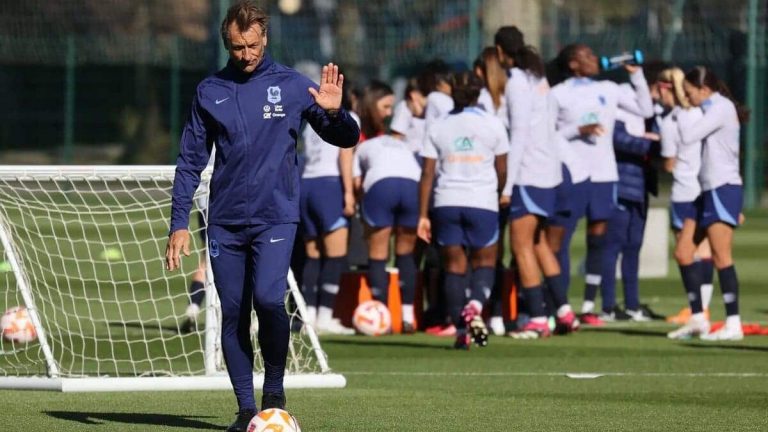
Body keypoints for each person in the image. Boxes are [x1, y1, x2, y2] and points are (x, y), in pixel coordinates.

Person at [164, 2, 359, 431]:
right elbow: (190, 161)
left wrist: (333, 111)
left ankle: (274, 393)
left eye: (252, 45)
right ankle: (245, 410)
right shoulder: (209, 91)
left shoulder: (291, 86)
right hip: (225, 222)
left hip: (276, 217)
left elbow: (345, 138)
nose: (246, 54)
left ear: (265, 38)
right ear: (227, 44)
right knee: (233, 312)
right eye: (237, 47)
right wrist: (179, 221)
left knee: (270, 300)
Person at [548, 44, 654, 322]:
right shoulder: (559, 94)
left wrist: (637, 75)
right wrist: (576, 130)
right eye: (587, 56)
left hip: (604, 175)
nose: (594, 59)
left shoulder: (608, 88)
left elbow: (645, 109)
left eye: (594, 54)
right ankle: (559, 303)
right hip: (571, 175)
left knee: (599, 239)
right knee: (561, 239)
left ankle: (587, 306)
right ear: (573, 64)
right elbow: (548, 133)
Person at [493, 26, 576, 339]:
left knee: (521, 245)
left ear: (501, 51)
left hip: (527, 174)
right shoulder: (539, 78)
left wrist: (507, 186)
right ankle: (565, 311)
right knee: (539, 243)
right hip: (547, 173)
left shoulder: (516, 81)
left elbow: (520, 134)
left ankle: (539, 318)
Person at [417, 71, 508, 349]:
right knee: (485, 262)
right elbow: (502, 169)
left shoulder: (438, 125)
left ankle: (460, 332)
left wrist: (423, 214)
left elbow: (428, 174)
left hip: (446, 201)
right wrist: (495, 192)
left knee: (454, 267)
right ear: (479, 93)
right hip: (482, 201)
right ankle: (475, 305)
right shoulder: (493, 124)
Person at [667, 66, 749, 341]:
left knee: (721, 255)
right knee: (683, 251)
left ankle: (733, 323)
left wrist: (681, 105)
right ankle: (698, 318)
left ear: (704, 90)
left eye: (690, 94)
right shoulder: (708, 107)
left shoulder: (720, 107)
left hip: (722, 187)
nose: (687, 99)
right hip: (705, 190)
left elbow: (689, 136)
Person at [354, 80, 420, 333]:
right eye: (386, 106)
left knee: (378, 254)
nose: (390, 112)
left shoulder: (364, 144)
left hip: (381, 186)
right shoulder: (400, 144)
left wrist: (356, 202)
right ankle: (407, 316)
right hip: (412, 185)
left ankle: (381, 316)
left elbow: (357, 181)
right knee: (405, 254)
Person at [298, 80, 358, 335]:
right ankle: (325, 316)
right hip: (329, 185)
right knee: (335, 255)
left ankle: (306, 315)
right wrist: (348, 193)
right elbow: (345, 154)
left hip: (306, 186)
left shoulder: (310, 121)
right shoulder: (348, 117)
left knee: (312, 255)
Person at [656, 67, 714, 326]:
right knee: (704, 249)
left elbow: (669, 163)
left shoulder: (671, 121)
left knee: (684, 252)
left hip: (683, 191)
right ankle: (704, 308)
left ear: (667, 89)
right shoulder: (702, 113)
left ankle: (696, 310)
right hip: (704, 187)